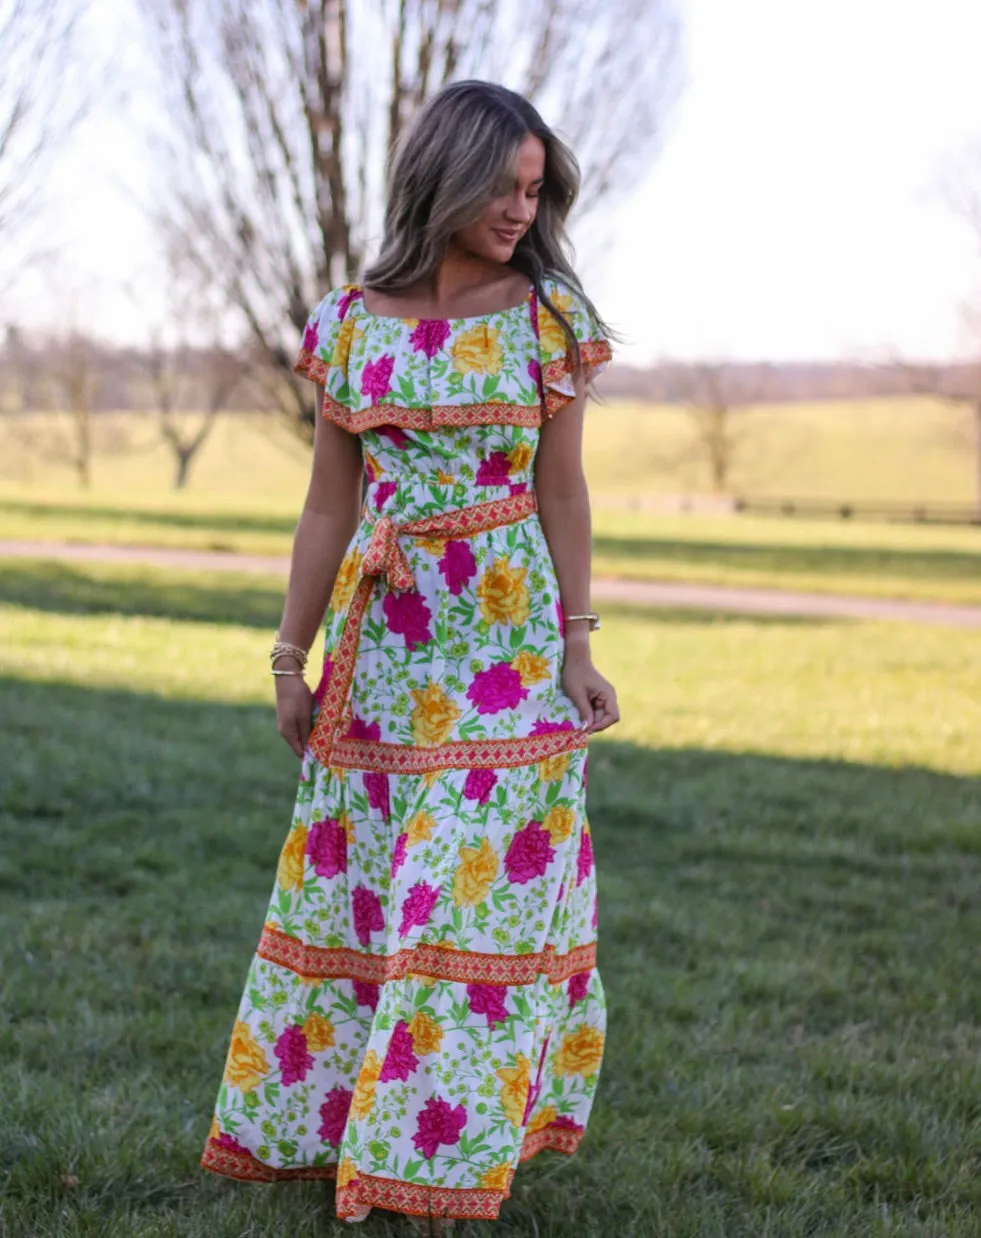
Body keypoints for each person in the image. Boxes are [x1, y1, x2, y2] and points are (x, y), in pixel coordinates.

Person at [201, 78, 620, 1228]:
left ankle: (438, 1160)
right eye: (506, 186)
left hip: (507, 653)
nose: (522, 212)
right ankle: (361, 1140)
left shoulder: (548, 319)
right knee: (375, 902)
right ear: (447, 172)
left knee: (466, 906)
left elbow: (564, 490)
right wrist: (294, 654)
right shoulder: (346, 323)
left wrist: (580, 646)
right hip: (385, 656)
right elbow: (327, 510)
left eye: (538, 193)